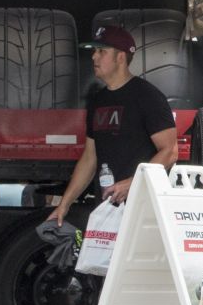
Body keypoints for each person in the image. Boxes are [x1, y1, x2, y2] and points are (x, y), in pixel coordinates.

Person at [48, 24, 178, 225]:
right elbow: (90, 157)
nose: (94, 57)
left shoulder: (147, 96)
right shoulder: (98, 100)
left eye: (101, 51)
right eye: (93, 51)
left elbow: (170, 151)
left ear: (121, 57)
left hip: (141, 209)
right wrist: (64, 204)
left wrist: (133, 184)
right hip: (106, 209)